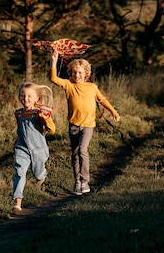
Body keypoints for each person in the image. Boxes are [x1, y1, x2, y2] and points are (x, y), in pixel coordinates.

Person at [50, 49, 120, 195]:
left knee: (82, 150)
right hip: (74, 124)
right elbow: (54, 79)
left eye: (80, 72)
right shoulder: (69, 86)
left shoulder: (92, 87)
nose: (77, 75)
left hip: (88, 125)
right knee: (75, 153)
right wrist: (54, 61)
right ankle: (77, 181)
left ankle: (85, 180)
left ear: (86, 74)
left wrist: (113, 112)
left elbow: (102, 100)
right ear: (71, 73)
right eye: (75, 72)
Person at [12, 82, 56, 213]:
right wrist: (17, 143)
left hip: (38, 149)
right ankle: (17, 202)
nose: (25, 98)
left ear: (37, 98)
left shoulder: (39, 113)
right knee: (19, 172)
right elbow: (20, 130)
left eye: (29, 96)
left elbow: (52, 130)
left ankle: (41, 176)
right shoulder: (18, 113)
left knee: (37, 173)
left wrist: (45, 119)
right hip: (22, 148)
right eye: (22, 95)